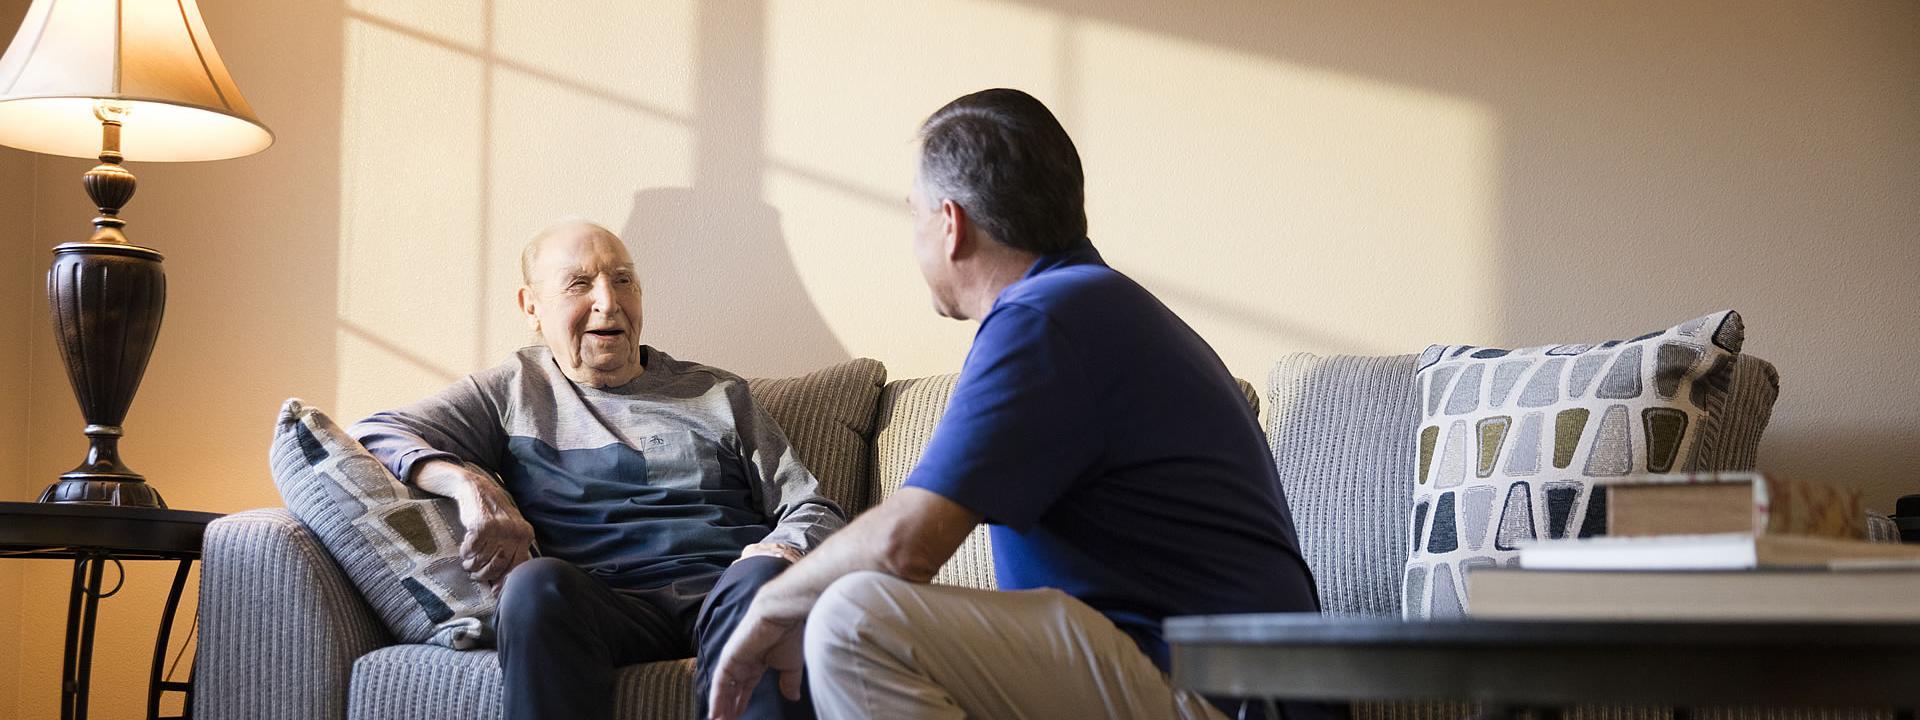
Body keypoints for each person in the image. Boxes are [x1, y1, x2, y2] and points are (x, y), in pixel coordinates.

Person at [707, 88, 1326, 720]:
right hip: (1197, 677)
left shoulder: (1046, 319)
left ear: (951, 224)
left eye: (913, 215)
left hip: (1226, 694)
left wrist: (770, 603)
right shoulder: (1090, 304)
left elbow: (905, 547)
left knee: (853, 619)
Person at [352, 220, 840, 720]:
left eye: (623, 280)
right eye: (579, 284)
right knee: (533, 585)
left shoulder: (719, 393)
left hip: (725, 590)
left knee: (767, 580)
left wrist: (784, 548)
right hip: (606, 605)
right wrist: (465, 482)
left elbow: (810, 505)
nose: (608, 302)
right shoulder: (513, 390)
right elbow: (375, 432)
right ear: (531, 307)